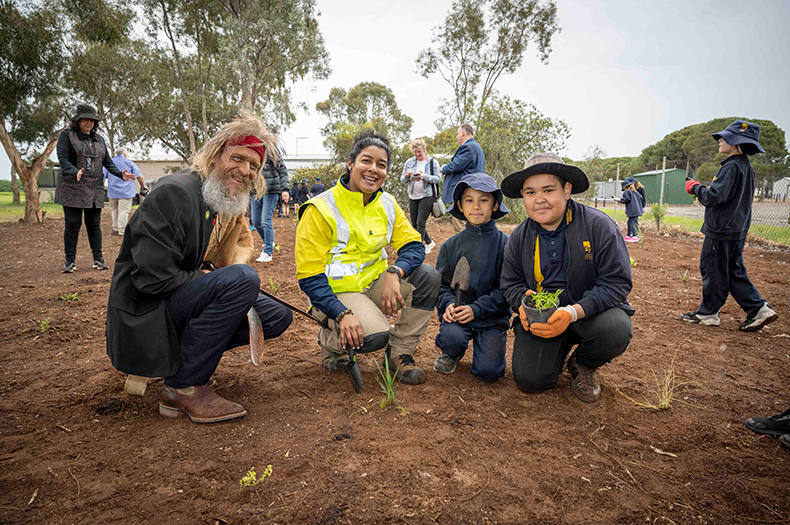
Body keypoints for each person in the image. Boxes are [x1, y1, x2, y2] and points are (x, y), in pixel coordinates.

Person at [106, 112, 292, 424]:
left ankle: (183, 359)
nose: (245, 170)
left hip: (170, 300)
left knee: (276, 315)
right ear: (216, 154)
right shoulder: (175, 192)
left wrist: (218, 281)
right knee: (243, 279)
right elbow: (152, 279)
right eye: (238, 158)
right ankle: (184, 387)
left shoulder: (218, 201)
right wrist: (216, 281)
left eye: (254, 166)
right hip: (145, 312)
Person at [295, 130, 441, 384]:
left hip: (375, 284)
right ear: (351, 163)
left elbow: (414, 245)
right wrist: (341, 314)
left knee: (428, 277)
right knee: (372, 336)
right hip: (334, 293)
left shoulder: (387, 203)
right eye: (366, 161)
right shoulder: (320, 208)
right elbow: (309, 277)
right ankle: (331, 341)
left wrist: (396, 273)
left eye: (381, 165)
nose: (373, 169)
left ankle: (400, 353)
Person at [500, 153, 634, 403]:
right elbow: (510, 283)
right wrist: (523, 303)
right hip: (544, 317)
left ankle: (583, 363)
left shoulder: (598, 226)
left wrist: (572, 313)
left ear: (567, 190)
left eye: (548, 190)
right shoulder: (519, 236)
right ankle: (555, 351)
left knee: (616, 328)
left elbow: (617, 283)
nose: (539, 200)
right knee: (531, 381)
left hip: (590, 314)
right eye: (530, 193)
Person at [681, 120, 778, 331]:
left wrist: (695, 188)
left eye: (725, 137)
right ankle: (758, 309)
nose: (720, 140)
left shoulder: (731, 167)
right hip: (736, 228)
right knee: (733, 270)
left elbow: (714, 197)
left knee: (713, 269)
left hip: (721, 230)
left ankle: (708, 313)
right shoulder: (744, 167)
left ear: (736, 142)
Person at [433, 173, 510, 382]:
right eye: (469, 200)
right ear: (460, 205)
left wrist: (476, 310)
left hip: (491, 318)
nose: (476, 206)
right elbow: (442, 286)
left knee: (489, 372)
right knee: (451, 339)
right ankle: (453, 351)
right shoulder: (451, 245)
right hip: (458, 315)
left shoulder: (506, 245)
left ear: (495, 205)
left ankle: (487, 347)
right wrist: (449, 304)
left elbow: (507, 290)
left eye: (483, 200)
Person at [56, 104, 136, 273]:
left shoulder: (99, 139)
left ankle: (98, 259)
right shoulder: (67, 136)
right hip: (72, 188)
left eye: (92, 120)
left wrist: (120, 174)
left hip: (94, 188)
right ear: (77, 121)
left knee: (94, 224)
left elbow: (107, 161)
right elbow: (62, 159)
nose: (89, 123)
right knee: (72, 224)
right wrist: (74, 171)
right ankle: (69, 262)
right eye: (85, 119)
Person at [440, 124, 485, 233]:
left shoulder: (468, 147)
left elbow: (456, 165)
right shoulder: (476, 147)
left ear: (463, 133)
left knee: (460, 223)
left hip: (461, 191)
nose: (456, 137)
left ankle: (465, 248)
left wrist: (444, 168)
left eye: (457, 134)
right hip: (471, 189)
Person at [401, 138, 442, 255]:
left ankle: (418, 249)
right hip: (413, 195)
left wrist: (425, 176)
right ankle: (429, 242)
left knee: (420, 222)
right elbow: (402, 180)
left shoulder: (432, 162)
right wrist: (407, 176)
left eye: (419, 151)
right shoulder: (409, 162)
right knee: (414, 223)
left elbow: (438, 178)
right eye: (415, 152)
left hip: (427, 195)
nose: (417, 154)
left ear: (424, 149)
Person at [250, 155, 289, 262]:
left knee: (265, 221)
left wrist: (285, 189)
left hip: (271, 190)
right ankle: (269, 241)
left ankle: (267, 252)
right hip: (255, 191)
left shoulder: (271, 151)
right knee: (256, 221)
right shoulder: (250, 151)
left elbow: (282, 170)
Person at [102, 147, 148, 236]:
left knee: (114, 210)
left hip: (112, 192)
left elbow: (103, 177)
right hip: (126, 192)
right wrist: (143, 186)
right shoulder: (130, 163)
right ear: (125, 155)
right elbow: (139, 176)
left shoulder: (109, 163)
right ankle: (122, 230)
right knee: (123, 211)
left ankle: (115, 228)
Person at [617, 178, 644, 242]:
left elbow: (626, 199)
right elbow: (641, 198)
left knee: (631, 223)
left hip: (632, 210)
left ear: (625, 187)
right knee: (631, 222)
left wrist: (618, 200)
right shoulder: (635, 192)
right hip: (637, 210)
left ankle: (634, 236)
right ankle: (629, 235)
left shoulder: (627, 192)